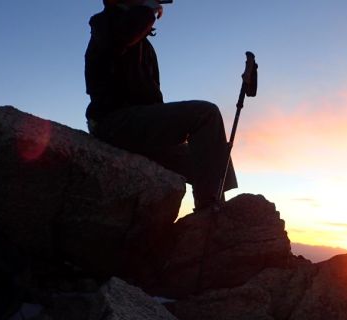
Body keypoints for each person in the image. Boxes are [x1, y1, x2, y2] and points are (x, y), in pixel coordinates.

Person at [85, 0, 237, 210]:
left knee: (213, 149)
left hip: (136, 126)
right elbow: (122, 37)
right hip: (113, 122)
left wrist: (167, 131)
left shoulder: (141, 45)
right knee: (206, 114)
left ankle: (217, 206)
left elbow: (151, 101)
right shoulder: (103, 25)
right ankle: (209, 209)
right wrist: (146, 11)